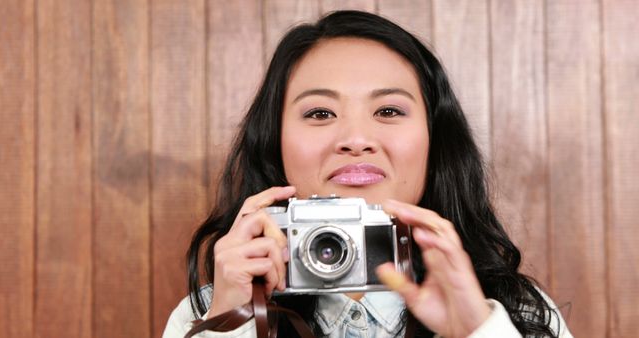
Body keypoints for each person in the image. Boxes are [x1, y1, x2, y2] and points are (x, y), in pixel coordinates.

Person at [163, 10, 572, 338]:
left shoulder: (516, 314)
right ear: (275, 141)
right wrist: (234, 321)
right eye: (320, 113)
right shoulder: (207, 315)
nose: (356, 139)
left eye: (389, 111)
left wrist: (477, 330)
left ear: (435, 141)